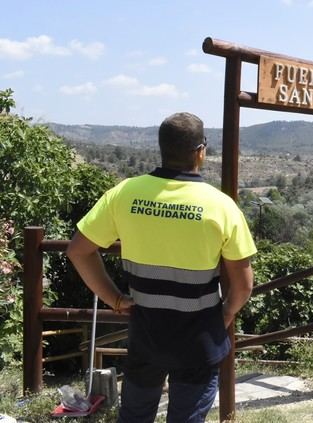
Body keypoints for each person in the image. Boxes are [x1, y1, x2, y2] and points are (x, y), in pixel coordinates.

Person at [66, 112, 256, 423]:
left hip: (146, 334)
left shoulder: (125, 193)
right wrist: (225, 314)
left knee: (135, 416)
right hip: (200, 339)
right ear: (201, 150)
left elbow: (78, 251)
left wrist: (114, 299)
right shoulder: (220, 205)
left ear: (162, 148)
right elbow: (243, 285)